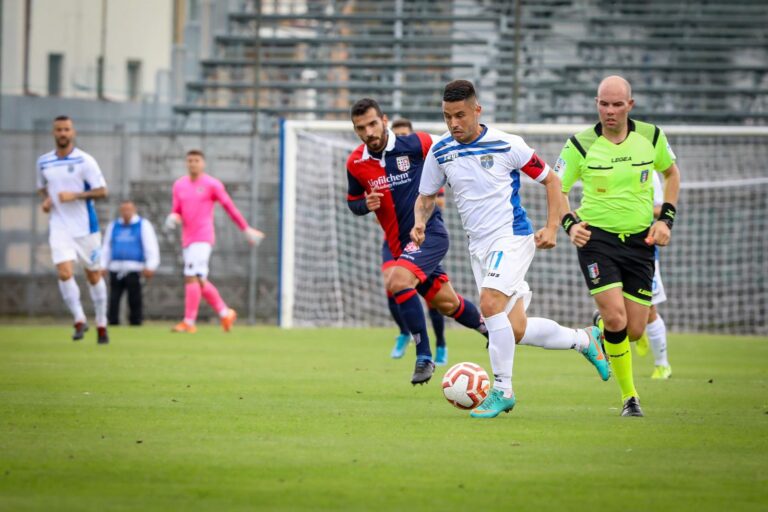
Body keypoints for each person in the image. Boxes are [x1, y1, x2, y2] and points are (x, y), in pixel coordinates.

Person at [413, 80, 610, 419]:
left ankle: (502, 390)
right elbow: (426, 196)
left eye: (460, 115)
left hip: (512, 237)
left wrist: (551, 227)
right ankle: (584, 339)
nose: (454, 123)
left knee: (489, 304)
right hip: (479, 247)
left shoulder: (507, 144)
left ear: (478, 110)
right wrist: (419, 222)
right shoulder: (440, 151)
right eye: (447, 117)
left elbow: (551, 179)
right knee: (514, 329)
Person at [556, 75, 680, 416]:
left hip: (641, 242)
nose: (609, 111)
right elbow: (557, 187)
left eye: (616, 104)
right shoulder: (579, 145)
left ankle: (598, 329)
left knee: (636, 329)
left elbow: (672, 175)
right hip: (598, 241)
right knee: (616, 319)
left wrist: (665, 220)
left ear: (630, 105)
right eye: (603, 104)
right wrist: (569, 225)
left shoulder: (651, 137)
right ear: (596, 104)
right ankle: (630, 399)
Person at [346, 98, 489, 385]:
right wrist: (366, 204)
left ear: (384, 120)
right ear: (356, 130)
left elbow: (451, 147)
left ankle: (424, 356)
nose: (369, 132)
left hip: (429, 234)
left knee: (398, 281)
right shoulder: (355, 163)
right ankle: (491, 330)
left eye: (373, 124)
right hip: (400, 245)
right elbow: (353, 202)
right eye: (361, 128)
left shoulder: (415, 144)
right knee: (448, 303)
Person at [165, 149, 265, 333]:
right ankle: (225, 312)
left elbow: (229, 207)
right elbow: (177, 210)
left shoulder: (212, 184)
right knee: (199, 280)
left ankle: (189, 322)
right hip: (187, 238)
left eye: (196, 160)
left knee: (190, 275)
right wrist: (173, 217)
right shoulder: (179, 185)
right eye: (189, 160)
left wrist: (246, 229)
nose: (193, 163)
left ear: (203, 163)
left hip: (203, 237)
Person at [37, 115, 111, 344]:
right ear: (54, 133)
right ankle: (79, 319)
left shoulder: (85, 161)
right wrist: (48, 200)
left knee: (93, 275)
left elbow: (102, 191)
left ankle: (101, 322)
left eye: (66, 129)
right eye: (59, 129)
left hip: (86, 228)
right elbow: (43, 188)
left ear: (73, 132)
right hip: (60, 226)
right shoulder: (43, 162)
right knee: (64, 272)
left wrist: (76, 196)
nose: (63, 133)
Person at [386, 117, 448, 364]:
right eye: (396, 134)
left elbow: (439, 201)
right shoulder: (385, 165)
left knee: (435, 298)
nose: (401, 138)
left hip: (423, 236)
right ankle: (405, 332)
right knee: (392, 283)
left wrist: (419, 208)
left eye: (404, 134)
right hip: (393, 239)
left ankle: (440, 344)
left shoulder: (424, 168)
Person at [100, 199, 160, 326]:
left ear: (134, 210)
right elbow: (106, 247)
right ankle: (113, 323)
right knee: (114, 298)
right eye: (124, 210)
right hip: (115, 268)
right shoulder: (114, 226)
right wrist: (102, 265)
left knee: (135, 299)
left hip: (134, 268)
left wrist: (151, 265)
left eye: (129, 210)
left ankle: (136, 323)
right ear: (120, 211)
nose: (126, 213)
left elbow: (151, 246)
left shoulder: (142, 225)